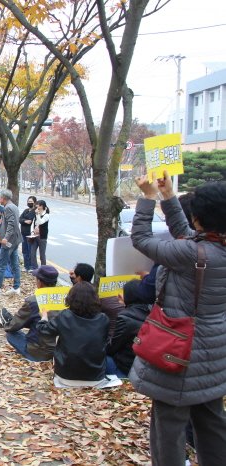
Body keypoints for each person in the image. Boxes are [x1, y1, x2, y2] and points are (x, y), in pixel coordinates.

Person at [131, 173, 226, 466]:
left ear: (200, 217)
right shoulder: (212, 247)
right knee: (212, 424)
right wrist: (169, 197)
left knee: (168, 430)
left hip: (178, 353)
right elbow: (189, 236)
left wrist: (147, 199)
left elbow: (142, 239)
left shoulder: (192, 254)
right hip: (214, 355)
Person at [36, 282, 115, 388]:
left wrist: (44, 317)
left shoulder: (64, 316)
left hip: (65, 377)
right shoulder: (103, 319)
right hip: (96, 377)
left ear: (71, 298)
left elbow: (43, 331)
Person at [0, 265, 59, 362]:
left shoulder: (33, 301)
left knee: (11, 334)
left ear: (39, 282)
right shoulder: (64, 301)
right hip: (59, 351)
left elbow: (14, 325)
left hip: (38, 352)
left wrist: (6, 325)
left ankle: (31, 355)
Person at [105, 280, 152, 379]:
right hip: (146, 367)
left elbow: (111, 348)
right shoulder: (153, 313)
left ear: (129, 295)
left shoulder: (125, 317)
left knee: (102, 357)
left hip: (126, 368)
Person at [29, 200, 50, 269]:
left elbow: (40, 222)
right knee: (32, 253)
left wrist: (38, 214)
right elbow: (33, 224)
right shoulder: (36, 214)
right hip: (34, 236)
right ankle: (35, 268)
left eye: (39, 205)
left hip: (42, 237)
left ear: (43, 206)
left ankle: (43, 269)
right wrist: (32, 232)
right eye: (37, 205)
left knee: (42, 255)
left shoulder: (46, 215)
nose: (38, 207)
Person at [19, 196, 37, 271]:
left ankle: (31, 266)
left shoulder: (35, 211)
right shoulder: (26, 210)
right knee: (24, 250)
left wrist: (24, 220)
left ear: (35, 202)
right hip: (23, 233)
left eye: (31, 202)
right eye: (28, 201)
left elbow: (30, 220)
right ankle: (26, 266)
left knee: (30, 251)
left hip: (30, 235)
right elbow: (20, 219)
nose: (29, 203)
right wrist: (24, 221)